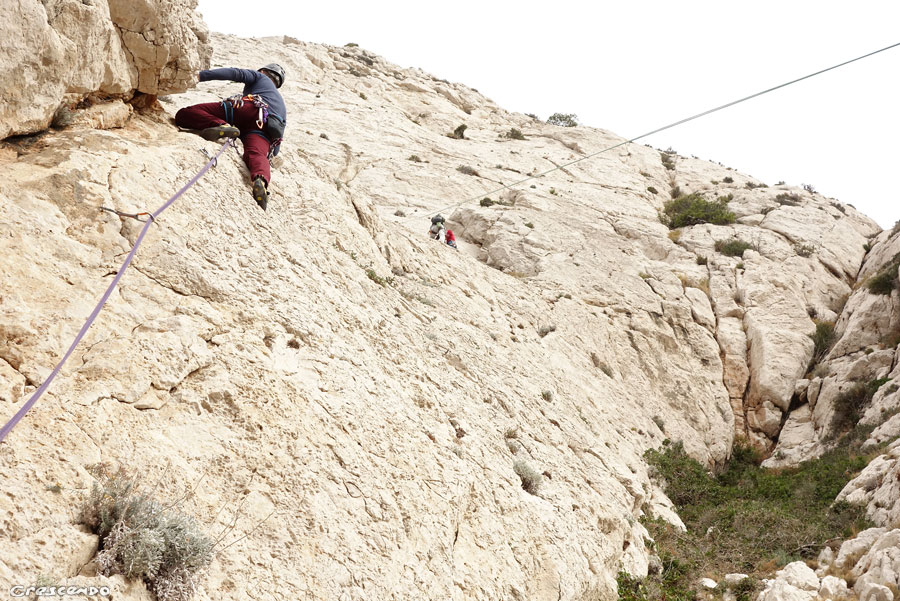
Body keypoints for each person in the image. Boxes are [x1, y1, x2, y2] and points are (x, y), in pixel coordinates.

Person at [175, 64, 288, 211]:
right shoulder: (282, 107)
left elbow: (235, 73)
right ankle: (260, 180)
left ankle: (221, 125)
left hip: (248, 109)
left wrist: (201, 76)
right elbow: (276, 148)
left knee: (186, 114)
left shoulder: (260, 77)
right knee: (257, 153)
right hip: (264, 129)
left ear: (263, 71)